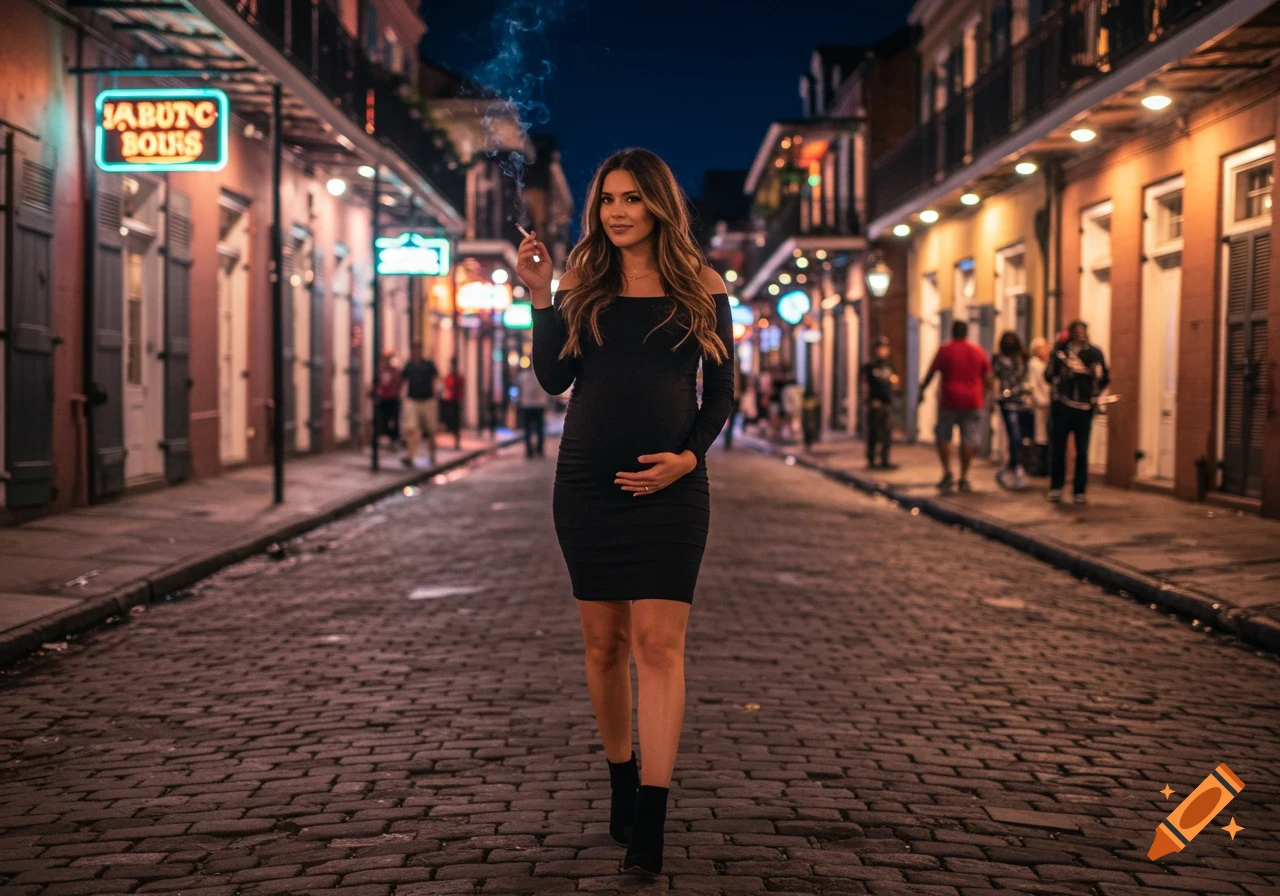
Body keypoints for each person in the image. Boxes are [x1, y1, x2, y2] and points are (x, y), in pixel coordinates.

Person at [517, 148, 734, 878]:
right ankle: (619, 772)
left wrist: (688, 458)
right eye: (608, 198)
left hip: (674, 490)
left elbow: (723, 395)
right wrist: (540, 295)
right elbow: (553, 380)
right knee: (604, 644)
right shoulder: (581, 279)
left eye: (633, 199)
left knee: (659, 646)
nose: (618, 211)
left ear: (659, 206)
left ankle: (652, 814)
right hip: (585, 486)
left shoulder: (702, 284)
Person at [917, 319, 992, 493]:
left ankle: (947, 472)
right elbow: (988, 377)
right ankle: (964, 477)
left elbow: (931, 372)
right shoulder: (978, 351)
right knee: (969, 439)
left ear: (953, 332)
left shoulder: (945, 350)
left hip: (949, 401)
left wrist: (921, 391)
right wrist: (989, 397)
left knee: (943, 437)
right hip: (973, 401)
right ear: (966, 332)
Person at [1045, 319, 1110, 504]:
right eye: (1077, 331)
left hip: (1084, 407)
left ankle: (1079, 489)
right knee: (1058, 449)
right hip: (1062, 406)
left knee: (1082, 449)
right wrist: (1061, 378)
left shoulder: (1094, 353)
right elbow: (1048, 375)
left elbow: (1104, 376)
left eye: (1083, 330)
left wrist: (1094, 392)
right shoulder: (1061, 353)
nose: (1081, 334)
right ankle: (1056, 487)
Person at [991, 331, 1033, 489]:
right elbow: (993, 378)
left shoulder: (1024, 357)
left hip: (1024, 401)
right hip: (1008, 402)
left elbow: (1029, 377)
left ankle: (1008, 468)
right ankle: (1017, 468)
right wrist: (995, 396)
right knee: (1015, 435)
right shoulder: (998, 359)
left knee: (1023, 437)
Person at [861, 336, 898, 469]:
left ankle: (885, 459)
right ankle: (871, 459)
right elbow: (864, 384)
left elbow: (895, 379)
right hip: (875, 403)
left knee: (887, 432)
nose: (883, 351)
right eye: (880, 348)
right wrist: (870, 401)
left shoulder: (889, 365)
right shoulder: (870, 366)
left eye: (885, 348)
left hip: (887, 401)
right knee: (874, 432)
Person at [400, 344, 439, 468]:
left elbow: (436, 379)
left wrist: (438, 392)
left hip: (428, 400)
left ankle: (432, 454)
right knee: (411, 429)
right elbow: (403, 380)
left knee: (431, 430)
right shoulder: (409, 365)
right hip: (413, 400)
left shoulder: (428, 365)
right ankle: (410, 456)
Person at [515, 362, 548, 458]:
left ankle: (529, 450)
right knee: (539, 429)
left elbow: (518, 389)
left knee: (527, 429)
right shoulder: (542, 377)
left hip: (527, 405)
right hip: (539, 404)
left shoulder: (523, 376)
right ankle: (539, 449)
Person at [1027, 337, 1052, 448]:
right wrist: (1039, 400)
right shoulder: (1034, 364)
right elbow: (1033, 385)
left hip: (1050, 401)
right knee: (1041, 433)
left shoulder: (1048, 362)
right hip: (1041, 402)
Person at [375, 350, 401, 447]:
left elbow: (398, 384)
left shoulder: (395, 371)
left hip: (393, 399)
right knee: (383, 419)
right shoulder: (381, 371)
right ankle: (386, 437)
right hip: (383, 399)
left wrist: (395, 393)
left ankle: (394, 439)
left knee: (394, 420)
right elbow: (378, 384)